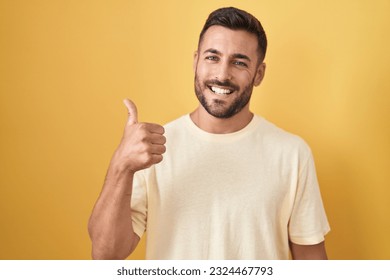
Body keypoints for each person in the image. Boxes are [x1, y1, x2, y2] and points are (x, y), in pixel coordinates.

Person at [88, 7, 330, 260]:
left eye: (239, 62)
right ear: (196, 61)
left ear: (259, 74)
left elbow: (311, 261)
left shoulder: (292, 153)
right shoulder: (152, 148)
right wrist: (121, 166)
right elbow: (105, 256)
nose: (222, 74)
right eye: (212, 57)